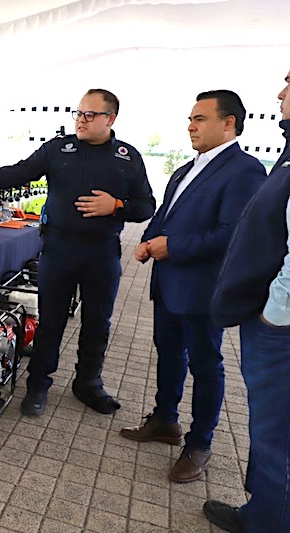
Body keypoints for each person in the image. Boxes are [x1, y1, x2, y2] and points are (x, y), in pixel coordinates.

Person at [0, 89, 156, 416]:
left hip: (102, 252)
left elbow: (146, 206)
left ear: (110, 119)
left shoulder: (127, 157)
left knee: (98, 322)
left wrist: (116, 206)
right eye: (78, 113)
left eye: (90, 115)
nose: (81, 120)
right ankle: (38, 385)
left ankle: (88, 383)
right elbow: (20, 171)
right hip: (59, 248)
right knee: (51, 319)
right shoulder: (59, 149)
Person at [120, 91, 266, 484]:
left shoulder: (245, 170)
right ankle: (165, 420)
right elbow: (166, 213)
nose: (191, 126)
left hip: (202, 288)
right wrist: (150, 240)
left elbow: (232, 233)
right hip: (168, 282)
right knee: (168, 352)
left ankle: (200, 443)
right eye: (190, 118)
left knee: (205, 364)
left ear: (228, 123)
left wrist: (174, 246)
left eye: (200, 118)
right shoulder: (187, 168)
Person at [203, 71, 290, 533]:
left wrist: (272, 312)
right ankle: (263, 512)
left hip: (281, 329)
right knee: (270, 430)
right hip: (273, 323)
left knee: (278, 435)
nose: (280, 93)